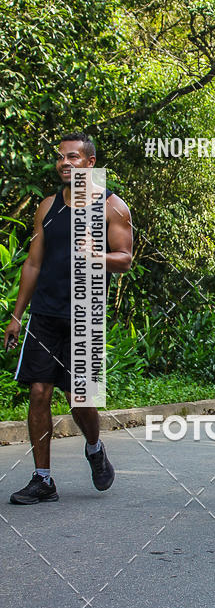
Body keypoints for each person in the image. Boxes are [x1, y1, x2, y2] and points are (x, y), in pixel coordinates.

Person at [4, 134, 133, 504]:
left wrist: (98, 257)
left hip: (85, 313)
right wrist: (17, 316)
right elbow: (32, 263)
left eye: (72, 157)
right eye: (60, 157)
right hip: (45, 313)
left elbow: (125, 258)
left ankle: (94, 447)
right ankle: (43, 479)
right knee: (39, 391)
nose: (64, 163)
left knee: (79, 400)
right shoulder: (47, 206)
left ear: (89, 162)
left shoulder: (112, 206)